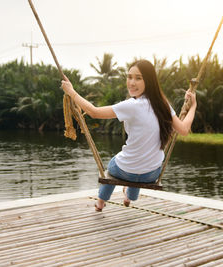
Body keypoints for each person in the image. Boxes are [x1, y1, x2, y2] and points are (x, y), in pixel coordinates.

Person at [61, 59, 197, 211]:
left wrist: (71, 92)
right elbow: (184, 130)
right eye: (129, 77)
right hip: (151, 173)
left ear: (149, 81)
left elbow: (94, 112)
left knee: (112, 168)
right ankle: (129, 197)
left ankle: (100, 202)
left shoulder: (132, 105)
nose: (132, 82)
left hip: (126, 170)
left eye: (138, 78)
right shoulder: (163, 105)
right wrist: (193, 106)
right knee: (136, 164)